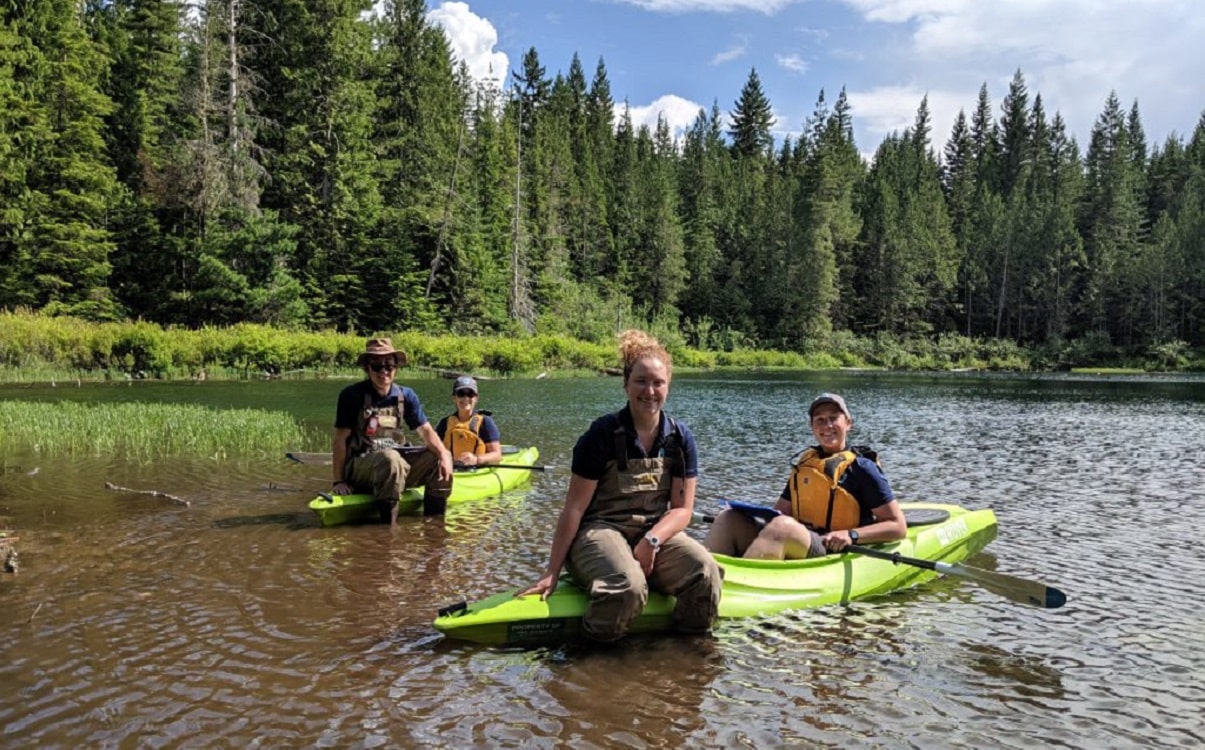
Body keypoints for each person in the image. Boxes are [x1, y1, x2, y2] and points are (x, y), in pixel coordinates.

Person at [518, 330, 722, 643]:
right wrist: (552, 571)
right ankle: (591, 655)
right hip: (598, 532)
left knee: (706, 572)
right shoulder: (601, 434)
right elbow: (574, 509)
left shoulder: (680, 439)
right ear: (626, 384)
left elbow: (682, 510)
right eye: (641, 381)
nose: (649, 391)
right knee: (629, 586)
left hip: (653, 532)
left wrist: (652, 540)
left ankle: (684, 652)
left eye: (658, 382)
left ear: (668, 385)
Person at [704, 392, 906, 559]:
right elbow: (779, 514)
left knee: (782, 528)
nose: (827, 426)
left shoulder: (862, 468)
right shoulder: (805, 465)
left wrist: (851, 535)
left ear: (848, 423)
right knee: (728, 518)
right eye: (820, 420)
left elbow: (897, 526)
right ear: (812, 427)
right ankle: (704, 577)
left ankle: (746, 583)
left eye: (834, 418)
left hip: (832, 548)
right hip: (803, 540)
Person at [331, 338, 454, 523]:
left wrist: (445, 455)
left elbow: (427, 432)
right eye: (377, 366)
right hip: (361, 467)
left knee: (438, 455)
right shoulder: (351, 396)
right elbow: (340, 440)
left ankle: (434, 528)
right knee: (390, 459)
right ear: (367, 368)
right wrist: (338, 481)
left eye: (389, 366)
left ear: (396, 368)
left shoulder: (407, 396)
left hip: (395, 466)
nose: (384, 372)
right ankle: (389, 533)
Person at [434, 376, 502, 467]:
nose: (465, 398)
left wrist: (476, 459)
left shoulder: (485, 422)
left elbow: (497, 455)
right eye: (461, 394)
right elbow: (434, 450)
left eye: (470, 394)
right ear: (454, 398)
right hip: (451, 469)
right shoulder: (444, 423)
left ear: (476, 398)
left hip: (476, 469)